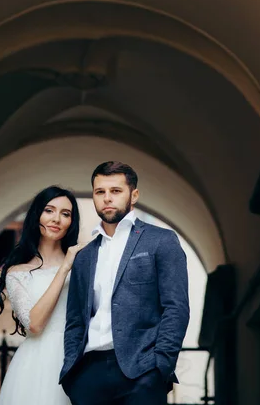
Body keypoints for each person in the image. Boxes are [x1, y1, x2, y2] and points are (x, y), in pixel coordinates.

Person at [60, 161, 190, 404]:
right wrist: (72, 371)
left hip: (142, 373)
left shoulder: (160, 241)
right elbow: (76, 319)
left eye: (116, 191)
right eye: (100, 192)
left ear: (134, 195)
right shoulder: (84, 256)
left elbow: (176, 308)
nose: (107, 198)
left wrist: (160, 366)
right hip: (88, 374)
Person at [0, 185, 83, 405]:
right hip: (36, 366)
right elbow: (34, 324)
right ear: (37, 215)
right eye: (49, 210)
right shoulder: (17, 273)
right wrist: (64, 268)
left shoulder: (83, 265)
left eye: (65, 214)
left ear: (71, 222)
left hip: (78, 360)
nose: (57, 219)